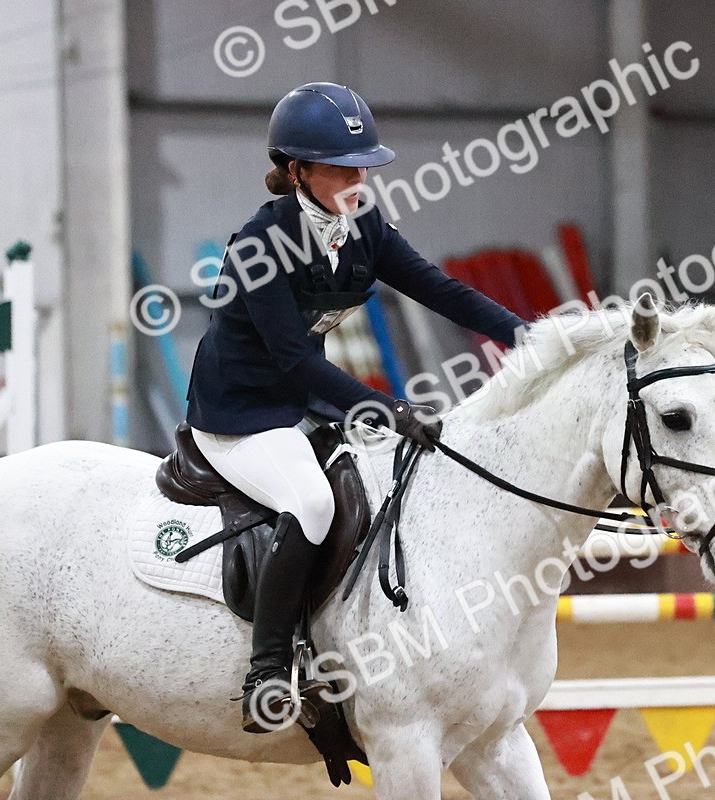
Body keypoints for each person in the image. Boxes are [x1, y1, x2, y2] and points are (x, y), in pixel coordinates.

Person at [186, 82, 527, 732]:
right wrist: (388, 409)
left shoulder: (363, 225)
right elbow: (295, 358)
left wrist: (529, 335)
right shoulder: (260, 247)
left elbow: (440, 290)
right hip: (241, 414)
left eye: (363, 166)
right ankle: (267, 670)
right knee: (312, 504)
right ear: (296, 170)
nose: (358, 179)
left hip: (305, 401)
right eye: (342, 168)